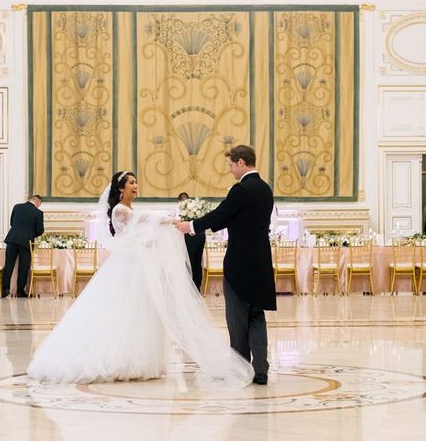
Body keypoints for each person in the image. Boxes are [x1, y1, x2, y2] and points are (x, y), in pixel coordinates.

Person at [27, 170, 253, 386]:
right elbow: (144, 219)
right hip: (126, 268)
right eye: (132, 183)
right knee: (122, 313)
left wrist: (171, 227)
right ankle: (119, 358)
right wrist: (172, 221)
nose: (136, 187)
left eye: (136, 183)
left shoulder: (130, 210)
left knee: (141, 312)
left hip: (138, 267)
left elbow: (143, 229)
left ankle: (138, 358)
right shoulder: (120, 211)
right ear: (121, 188)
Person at [175, 145, 276, 386]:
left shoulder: (241, 189)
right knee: (256, 316)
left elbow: (221, 215)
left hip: (240, 263)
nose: (230, 170)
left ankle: (240, 369)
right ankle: (261, 369)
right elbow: (233, 218)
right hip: (261, 263)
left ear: (241, 162)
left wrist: (190, 226)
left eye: (231, 165)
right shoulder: (265, 189)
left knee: (237, 319)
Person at [1, 194, 44, 298]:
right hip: (26, 242)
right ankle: (20, 291)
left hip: (12, 239)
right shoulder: (38, 212)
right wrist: (29, 233)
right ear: (38, 202)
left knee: (9, 265)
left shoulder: (17, 206)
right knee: (23, 267)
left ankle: (5, 289)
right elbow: (40, 230)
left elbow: (12, 222)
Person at [177, 191, 205, 291]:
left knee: (191, 262)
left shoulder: (182, 210)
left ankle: (191, 288)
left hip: (191, 236)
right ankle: (196, 288)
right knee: (196, 263)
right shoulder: (196, 207)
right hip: (200, 234)